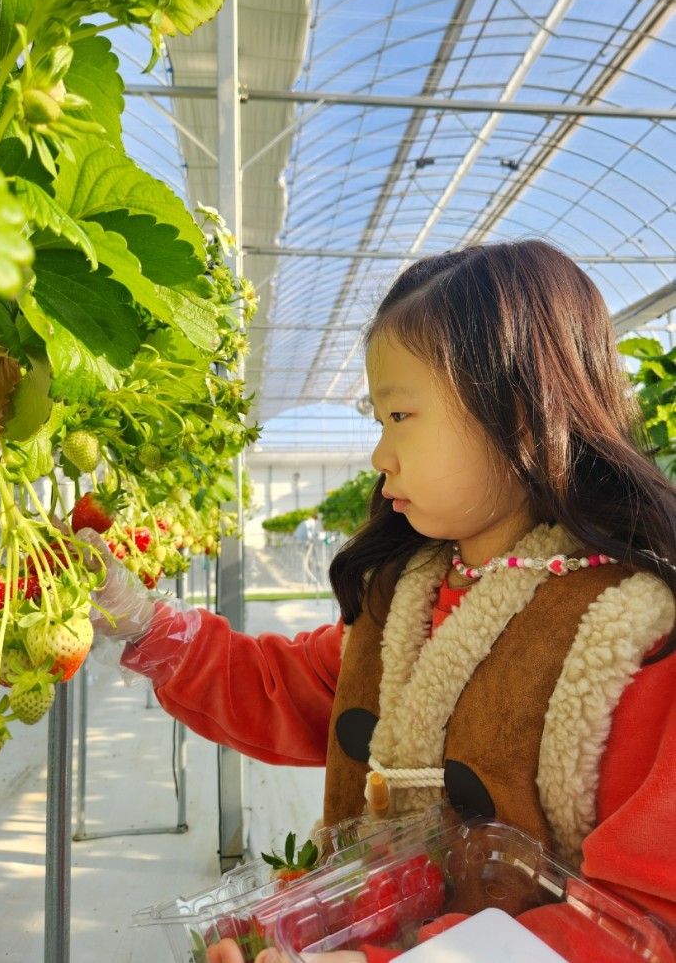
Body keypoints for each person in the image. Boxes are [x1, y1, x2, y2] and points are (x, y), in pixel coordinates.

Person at [83, 241, 676, 959]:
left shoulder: (628, 635)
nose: (378, 455)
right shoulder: (403, 598)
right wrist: (143, 622)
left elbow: (641, 924)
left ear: (517, 413)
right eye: (377, 421)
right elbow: (281, 688)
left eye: (399, 415)